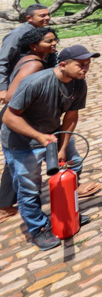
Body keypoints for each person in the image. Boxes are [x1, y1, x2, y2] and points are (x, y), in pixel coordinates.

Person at [2, 44, 100, 250]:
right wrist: (39, 137)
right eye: (80, 65)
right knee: (28, 188)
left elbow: (72, 116)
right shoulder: (36, 82)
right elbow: (9, 117)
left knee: (74, 167)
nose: (85, 69)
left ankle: (66, 213)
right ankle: (38, 229)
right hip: (21, 141)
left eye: (88, 65)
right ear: (63, 65)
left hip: (53, 135)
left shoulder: (79, 84)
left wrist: (63, 147)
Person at [0, 27, 61, 221]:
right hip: (16, 117)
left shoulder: (36, 60)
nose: (53, 44)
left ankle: (6, 204)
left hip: (22, 116)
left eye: (54, 40)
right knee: (20, 168)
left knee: (15, 167)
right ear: (34, 46)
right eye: (48, 42)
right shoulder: (34, 66)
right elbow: (10, 97)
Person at [0, 4, 52, 104]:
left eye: (48, 15)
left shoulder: (44, 32)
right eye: (42, 16)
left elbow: (51, 55)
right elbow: (2, 61)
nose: (48, 18)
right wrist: (2, 89)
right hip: (20, 85)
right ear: (29, 18)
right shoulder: (17, 35)